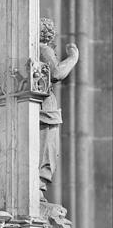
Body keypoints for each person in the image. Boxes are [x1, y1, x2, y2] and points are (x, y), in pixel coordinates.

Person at [39, 17, 79, 201]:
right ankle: (39, 186)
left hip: (46, 105)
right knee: (47, 148)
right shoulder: (43, 49)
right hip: (46, 105)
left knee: (48, 147)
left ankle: (39, 186)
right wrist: (73, 58)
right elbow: (57, 73)